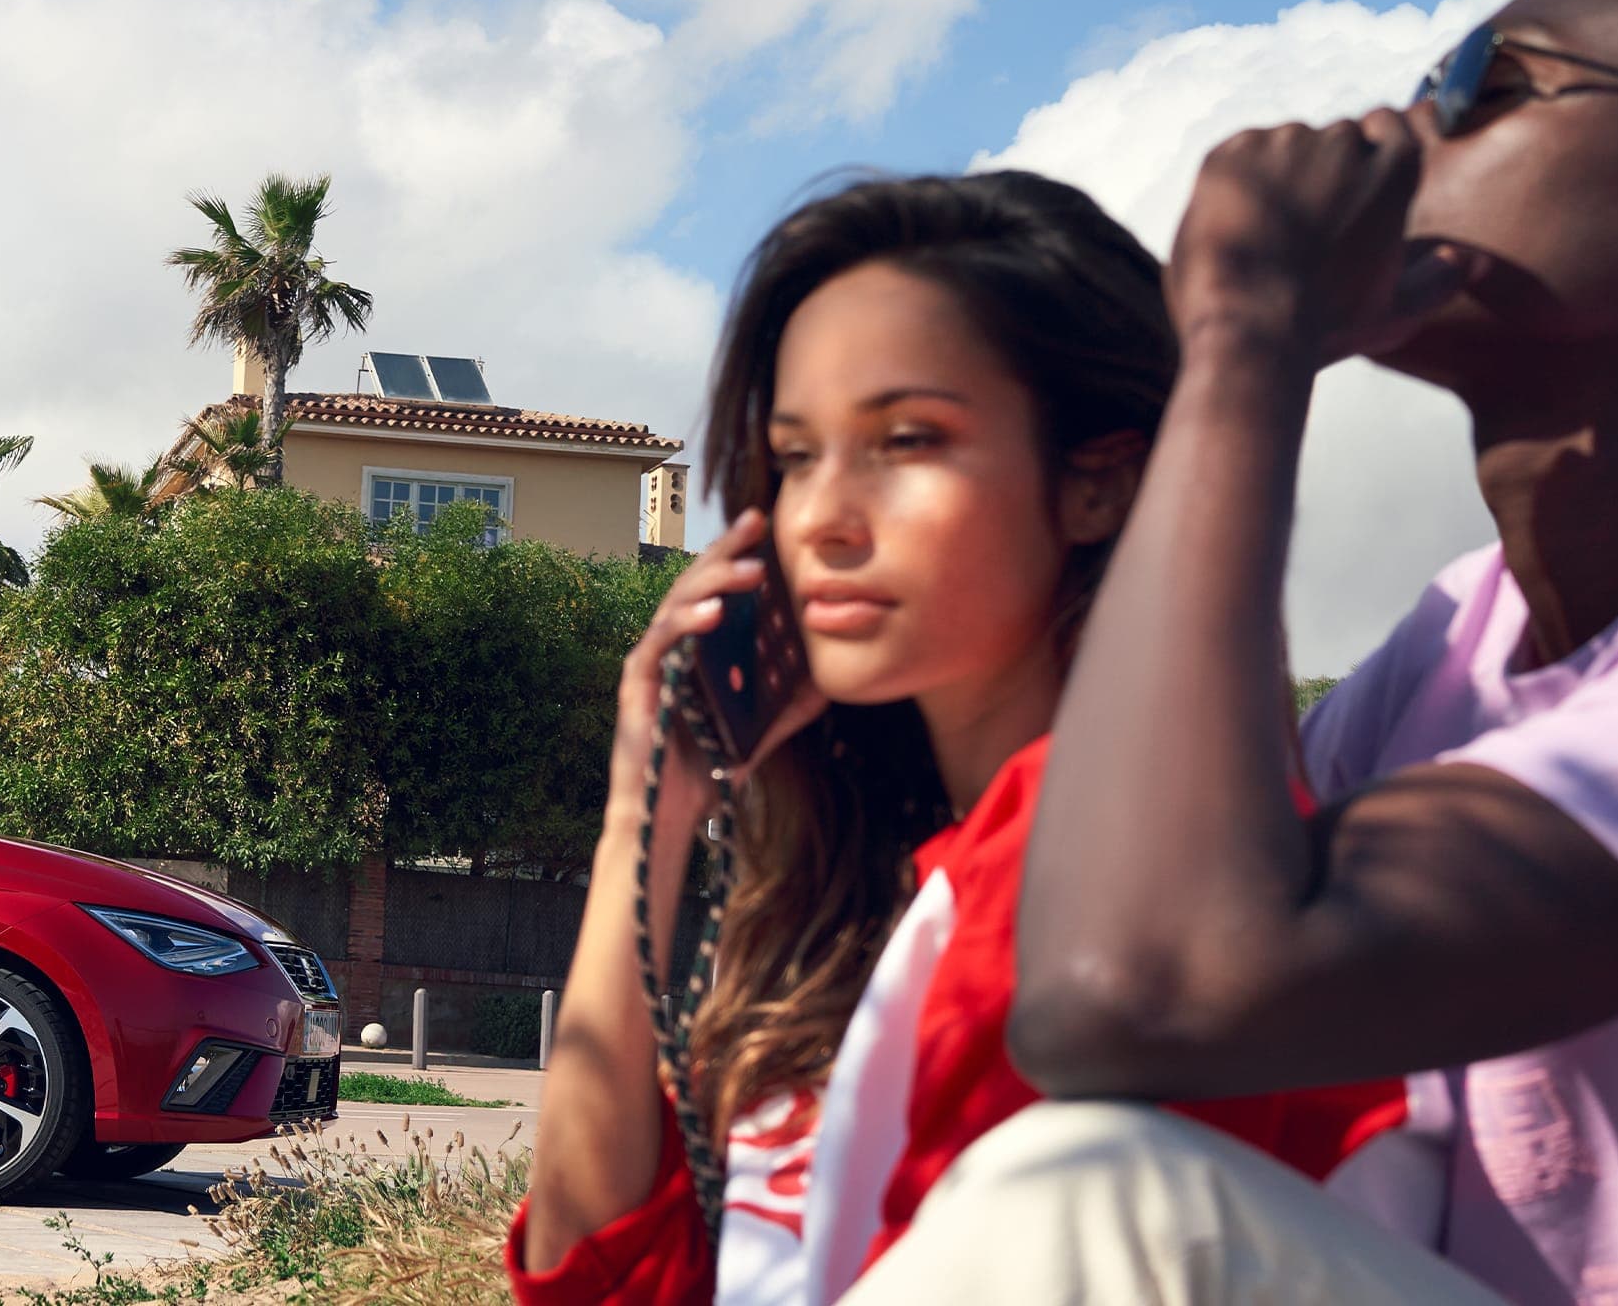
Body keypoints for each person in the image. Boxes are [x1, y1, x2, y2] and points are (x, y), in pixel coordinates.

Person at [850, 0, 1618, 1301]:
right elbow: (1152, 877)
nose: (1399, 125)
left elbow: (1132, 992)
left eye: (1481, 82)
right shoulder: (1454, 632)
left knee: (1099, 1202)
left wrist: (1246, 339)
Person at [509, 171, 1411, 1306]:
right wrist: (644, 810)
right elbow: (596, 1282)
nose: (825, 517)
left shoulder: (1138, 880)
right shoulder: (861, 911)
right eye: (793, 458)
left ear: (1099, 483)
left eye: (907, 439)